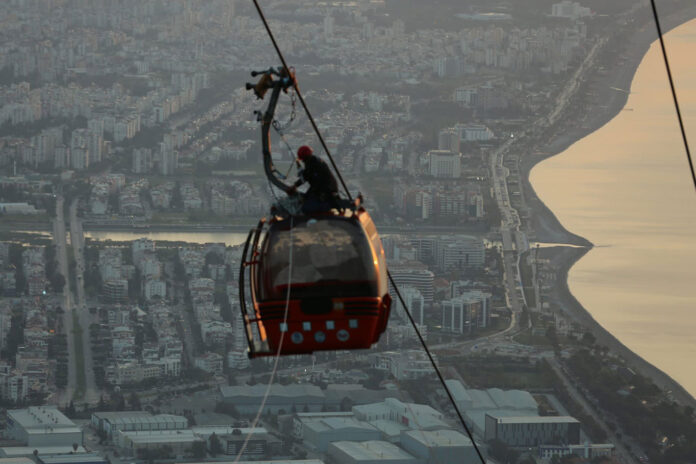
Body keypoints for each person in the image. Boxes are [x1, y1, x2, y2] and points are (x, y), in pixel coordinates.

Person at [288, 145, 340, 213]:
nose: (303, 161)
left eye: (303, 159)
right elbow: (306, 176)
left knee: (307, 207)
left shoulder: (313, 164)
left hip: (327, 190)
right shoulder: (312, 161)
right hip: (328, 188)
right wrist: (295, 185)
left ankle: (325, 212)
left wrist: (306, 196)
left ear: (304, 158)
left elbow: (316, 184)